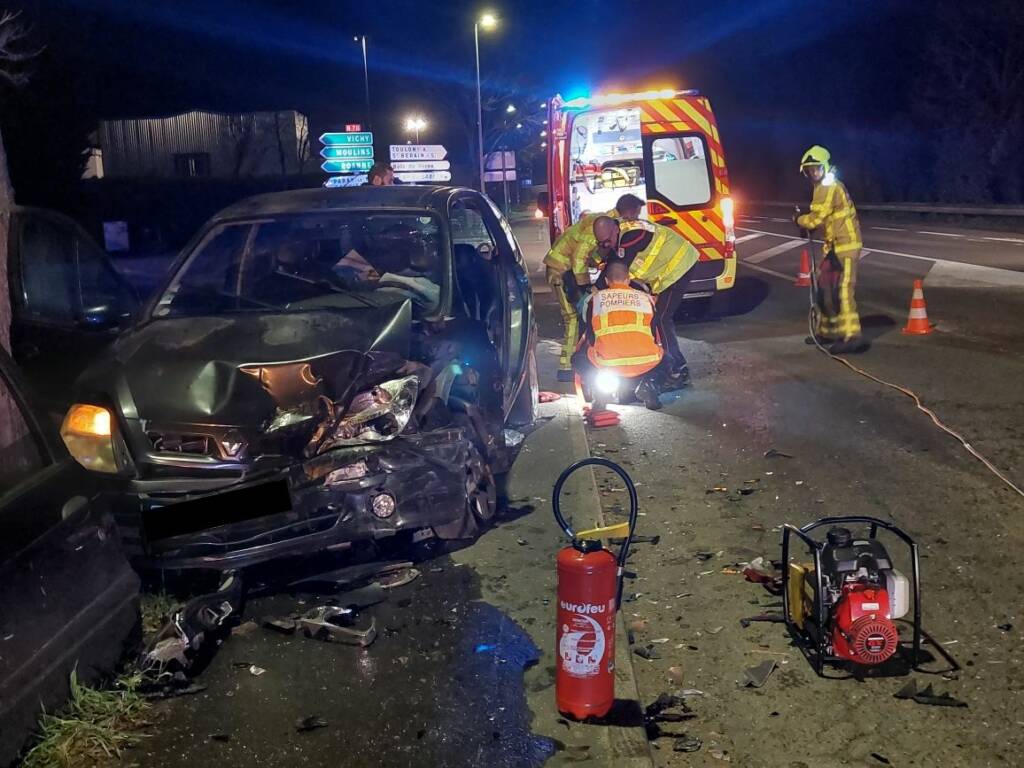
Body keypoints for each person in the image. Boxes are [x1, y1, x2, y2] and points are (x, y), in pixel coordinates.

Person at [543, 193, 645, 381]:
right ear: (629, 213)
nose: (636, 219)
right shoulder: (600, 226)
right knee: (573, 318)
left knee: (578, 317)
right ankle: (567, 368)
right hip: (561, 272)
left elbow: (592, 252)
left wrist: (600, 263)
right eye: (636, 215)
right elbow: (579, 257)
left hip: (566, 270)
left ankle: (573, 364)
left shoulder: (605, 223)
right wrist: (584, 288)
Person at [591, 215, 699, 385]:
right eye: (601, 243)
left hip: (680, 266)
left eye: (607, 242)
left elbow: (617, 267)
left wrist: (593, 292)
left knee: (662, 318)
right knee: (657, 317)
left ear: (615, 230)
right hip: (666, 272)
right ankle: (667, 365)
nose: (606, 246)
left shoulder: (632, 235)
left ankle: (677, 369)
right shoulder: (619, 236)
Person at [795, 146, 866, 354]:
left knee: (843, 291)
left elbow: (817, 218)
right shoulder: (821, 187)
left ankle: (852, 337)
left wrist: (799, 220)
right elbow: (823, 219)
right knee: (823, 288)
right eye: (810, 170)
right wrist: (808, 224)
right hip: (833, 247)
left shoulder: (829, 185)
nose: (814, 173)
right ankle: (827, 331)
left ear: (825, 167)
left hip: (847, 245)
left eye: (817, 168)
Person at [573, 260, 665, 410]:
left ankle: (600, 395)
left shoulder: (594, 300)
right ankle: (649, 386)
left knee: (577, 359)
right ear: (628, 280)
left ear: (606, 280)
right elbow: (654, 333)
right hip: (645, 362)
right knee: (668, 360)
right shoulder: (645, 299)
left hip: (607, 364)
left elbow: (589, 333)